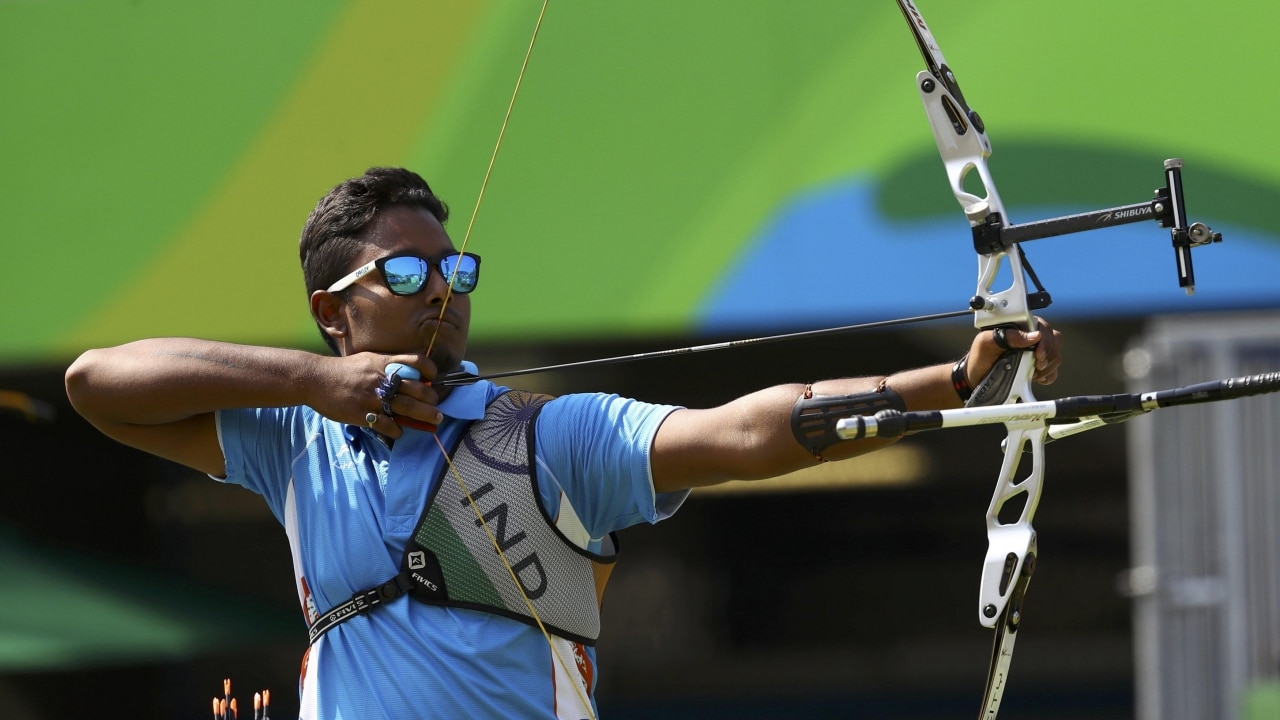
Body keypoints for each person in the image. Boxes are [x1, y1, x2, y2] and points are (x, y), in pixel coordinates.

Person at [64, 167, 1062, 720]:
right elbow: (97, 385)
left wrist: (954, 379)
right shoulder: (297, 441)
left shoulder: (547, 440)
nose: (442, 292)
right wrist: (314, 384)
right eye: (405, 278)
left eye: (450, 269)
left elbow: (743, 431)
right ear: (335, 315)